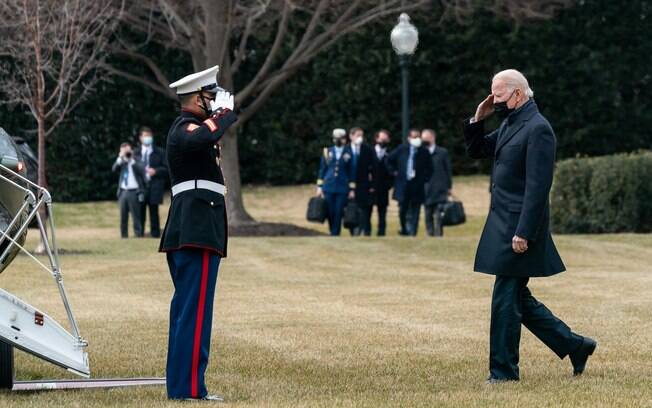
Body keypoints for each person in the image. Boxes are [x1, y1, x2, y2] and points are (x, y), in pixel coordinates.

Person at [463, 69, 596, 384]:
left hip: (520, 226)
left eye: (498, 96)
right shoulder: (511, 122)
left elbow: (538, 188)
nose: (494, 101)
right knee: (516, 297)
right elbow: (478, 149)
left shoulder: (538, 129)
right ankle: (575, 345)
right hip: (502, 223)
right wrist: (476, 119)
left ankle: (503, 372)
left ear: (518, 94)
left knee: (505, 297)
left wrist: (524, 232)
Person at [159, 65, 237, 401]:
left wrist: (219, 114)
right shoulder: (183, 129)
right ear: (195, 98)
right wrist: (224, 114)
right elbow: (203, 135)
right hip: (195, 229)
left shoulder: (191, 129)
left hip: (194, 228)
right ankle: (189, 390)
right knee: (193, 311)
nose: (214, 101)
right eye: (210, 95)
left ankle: (183, 387)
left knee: (189, 310)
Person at [386, 129, 433, 236]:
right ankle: (404, 229)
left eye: (418, 137)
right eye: (414, 137)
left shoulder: (424, 151)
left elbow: (430, 168)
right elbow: (389, 160)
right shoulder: (402, 149)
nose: (417, 139)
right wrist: (394, 172)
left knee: (416, 210)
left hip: (417, 186)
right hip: (403, 185)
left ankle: (413, 232)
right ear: (409, 138)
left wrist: (424, 179)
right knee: (403, 210)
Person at [316, 128, 355, 236]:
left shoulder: (349, 152)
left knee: (338, 211)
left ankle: (335, 233)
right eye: (336, 138)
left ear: (344, 139)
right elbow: (322, 170)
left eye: (341, 138)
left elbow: (352, 172)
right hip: (328, 186)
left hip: (342, 187)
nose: (338, 140)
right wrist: (319, 186)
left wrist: (352, 189)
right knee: (330, 211)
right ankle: (332, 230)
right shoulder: (327, 151)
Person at [134, 126, 168, 238]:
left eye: (149, 136)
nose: (147, 138)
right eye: (145, 136)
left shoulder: (159, 152)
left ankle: (155, 234)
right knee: (140, 212)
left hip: (155, 186)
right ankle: (139, 234)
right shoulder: (136, 153)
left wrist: (156, 171)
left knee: (154, 212)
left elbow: (166, 169)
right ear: (140, 138)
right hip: (141, 186)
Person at [421, 129, 452, 237]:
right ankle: (430, 234)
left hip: (440, 188)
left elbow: (448, 170)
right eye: (423, 138)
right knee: (427, 214)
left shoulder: (442, 152)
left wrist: (449, 186)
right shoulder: (420, 152)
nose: (424, 140)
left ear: (433, 138)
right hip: (426, 188)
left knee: (439, 215)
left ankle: (439, 235)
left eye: (426, 138)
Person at [112, 142, 145, 238]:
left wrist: (132, 160)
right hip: (123, 192)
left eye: (128, 150)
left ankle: (138, 235)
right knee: (123, 216)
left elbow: (142, 171)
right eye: (124, 150)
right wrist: (120, 157)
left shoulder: (136, 160)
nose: (127, 152)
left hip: (134, 191)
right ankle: (124, 236)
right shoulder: (121, 162)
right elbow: (114, 169)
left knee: (136, 216)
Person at [347, 127, 376, 236]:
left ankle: (364, 230)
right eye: (357, 135)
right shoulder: (346, 150)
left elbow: (374, 168)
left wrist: (372, 184)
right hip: (349, 185)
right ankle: (353, 230)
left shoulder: (368, 150)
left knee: (364, 209)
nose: (360, 138)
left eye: (361, 135)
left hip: (364, 185)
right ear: (351, 136)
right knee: (351, 209)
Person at [372, 130, 394, 236]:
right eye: (381, 139)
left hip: (383, 188)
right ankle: (366, 231)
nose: (383, 141)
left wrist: (389, 185)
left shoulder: (390, 154)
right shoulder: (370, 152)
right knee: (367, 211)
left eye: (385, 139)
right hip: (370, 188)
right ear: (376, 139)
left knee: (382, 212)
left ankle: (381, 232)